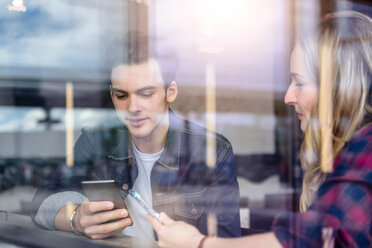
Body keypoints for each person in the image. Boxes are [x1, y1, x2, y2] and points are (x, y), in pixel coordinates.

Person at [148, 11, 372, 248]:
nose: (288, 96)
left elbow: (317, 237)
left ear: (339, 88)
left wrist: (197, 243)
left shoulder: (367, 147)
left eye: (300, 83)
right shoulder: (348, 153)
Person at [31, 33, 241, 240]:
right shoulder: (95, 141)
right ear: (112, 94)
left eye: (146, 94)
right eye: (122, 96)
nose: (132, 107)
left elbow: (224, 242)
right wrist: (76, 219)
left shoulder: (211, 150)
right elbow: (41, 202)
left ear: (171, 92)